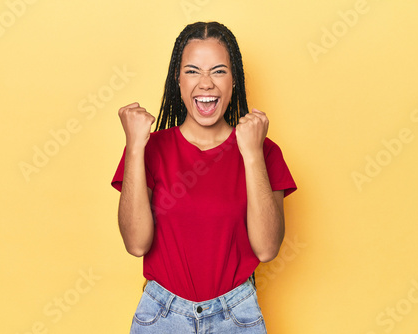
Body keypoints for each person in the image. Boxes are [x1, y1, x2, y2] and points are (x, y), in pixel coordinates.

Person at [111, 21, 297, 334]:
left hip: (237, 314)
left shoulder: (263, 152)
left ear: (234, 80)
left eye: (219, 71)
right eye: (193, 71)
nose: (206, 83)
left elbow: (266, 249)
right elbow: (136, 244)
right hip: (162, 315)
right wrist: (134, 147)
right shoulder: (150, 149)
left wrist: (251, 154)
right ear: (178, 79)